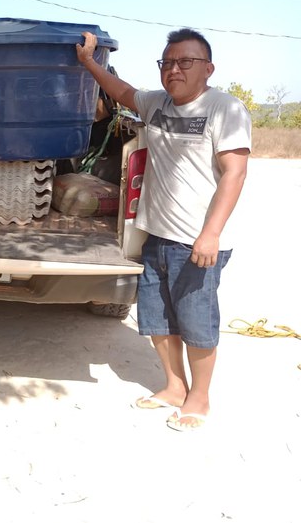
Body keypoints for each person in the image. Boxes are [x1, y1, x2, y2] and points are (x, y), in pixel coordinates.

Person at [76, 29, 251, 431]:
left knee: (197, 324)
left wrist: (211, 233)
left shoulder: (225, 108)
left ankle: (199, 398)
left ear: (208, 68)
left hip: (197, 241)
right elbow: (120, 91)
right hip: (156, 234)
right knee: (157, 319)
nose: (174, 69)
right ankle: (174, 386)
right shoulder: (156, 104)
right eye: (167, 62)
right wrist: (88, 62)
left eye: (185, 62)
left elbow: (235, 173)